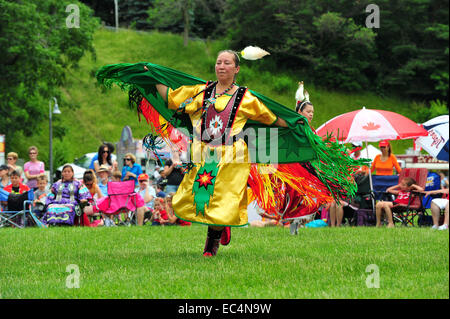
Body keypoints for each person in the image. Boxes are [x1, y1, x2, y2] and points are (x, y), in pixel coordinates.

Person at [155, 50, 290, 256]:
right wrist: (152, 76)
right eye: (218, 62)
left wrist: (293, 123)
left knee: (223, 199)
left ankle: (211, 243)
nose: (221, 66)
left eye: (227, 63)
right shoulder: (201, 92)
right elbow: (173, 99)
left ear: (236, 69)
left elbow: (269, 118)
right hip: (204, 154)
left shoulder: (246, 98)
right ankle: (221, 225)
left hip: (232, 157)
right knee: (200, 196)